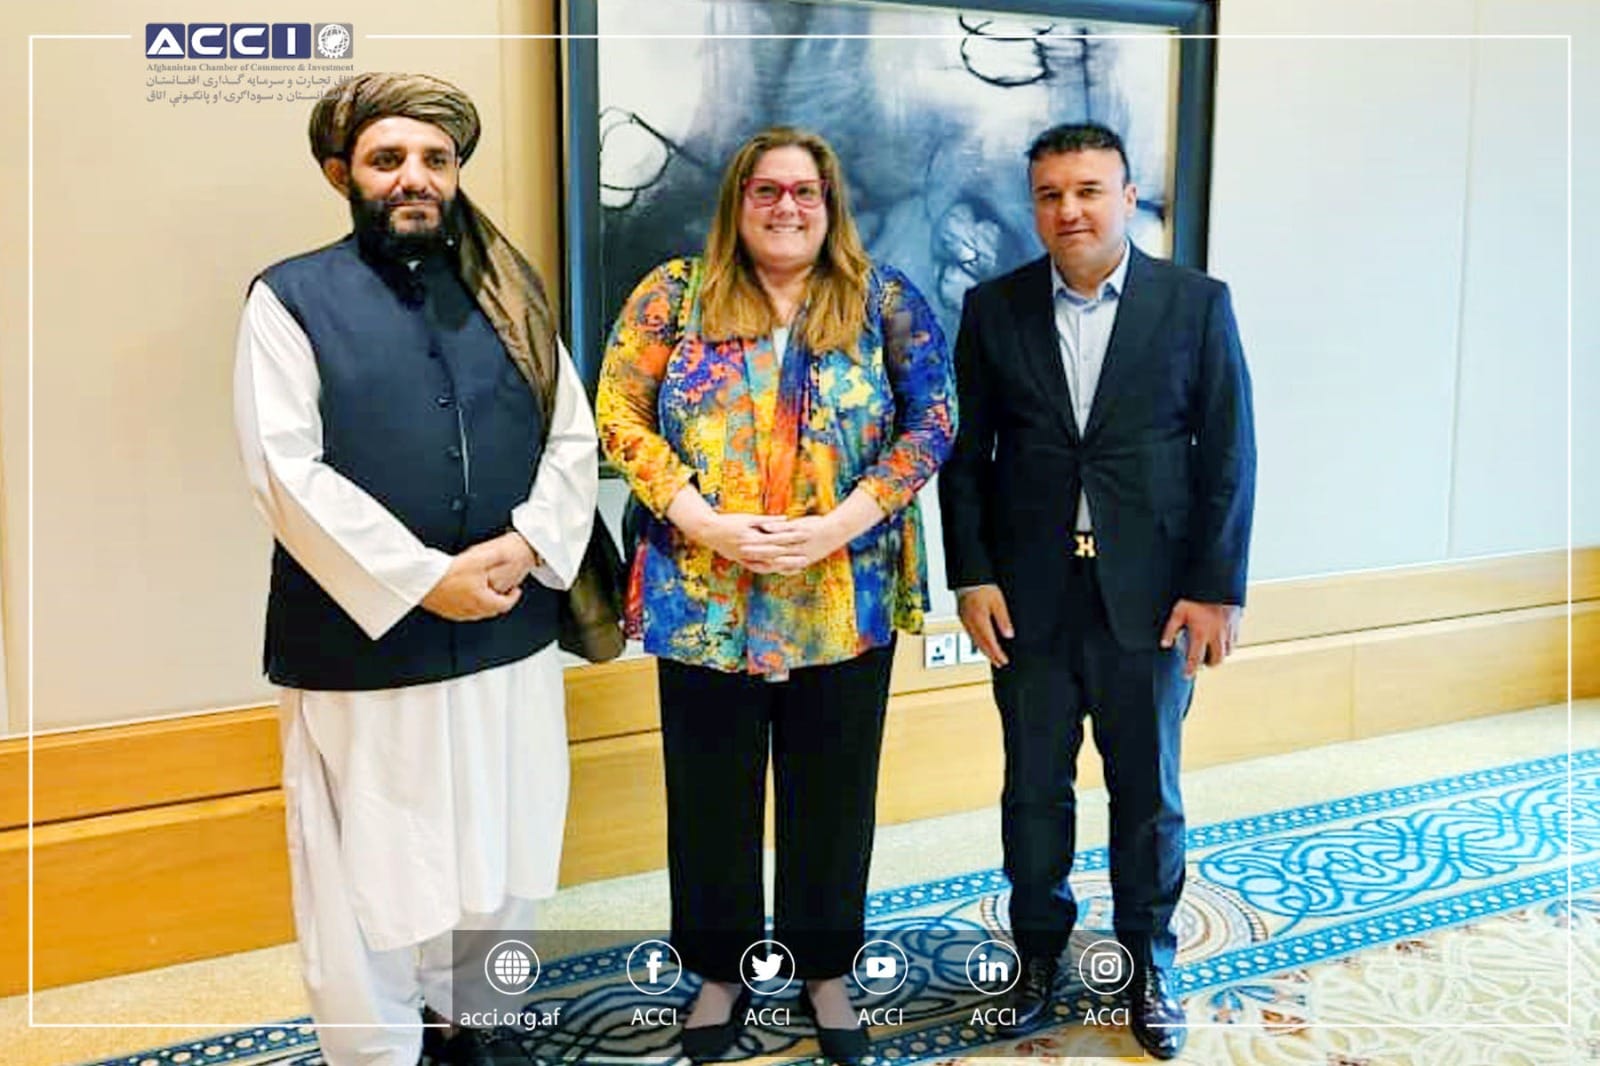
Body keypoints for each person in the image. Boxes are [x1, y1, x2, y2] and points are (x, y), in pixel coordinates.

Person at [233, 72, 599, 1066]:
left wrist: (530, 544)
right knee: (369, 870)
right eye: (388, 158)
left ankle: (482, 1019)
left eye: (436, 159)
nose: (415, 177)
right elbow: (283, 468)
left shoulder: (509, 294)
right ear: (340, 173)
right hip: (363, 640)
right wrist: (420, 577)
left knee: (505, 842)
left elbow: (572, 435)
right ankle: (379, 1049)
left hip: (507, 624)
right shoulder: (289, 298)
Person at [596, 126, 954, 1064]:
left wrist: (843, 522)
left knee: (832, 796)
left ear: (829, 206)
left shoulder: (882, 301)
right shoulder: (673, 297)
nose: (786, 207)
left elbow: (934, 421)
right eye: (767, 191)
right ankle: (719, 974)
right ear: (738, 203)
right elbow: (618, 414)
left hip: (842, 595)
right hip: (703, 597)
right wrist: (702, 519)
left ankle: (825, 971)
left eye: (804, 192)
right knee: (709, 798)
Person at [939, 122, 1256, 1060]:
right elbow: (965, 457)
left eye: (1087, 191)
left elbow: (1229, 456)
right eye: (1050, 195)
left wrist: (1214, 591)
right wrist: (972, 575)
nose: (1068, 210)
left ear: (1127, 196)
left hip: (1152, 600)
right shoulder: (992, 310)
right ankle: (1036, 959)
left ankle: (1147, 966)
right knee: (1033, 791)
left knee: (1148, 796)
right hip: (1029, 597)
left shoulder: (1195, 304)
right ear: (1034, 206)